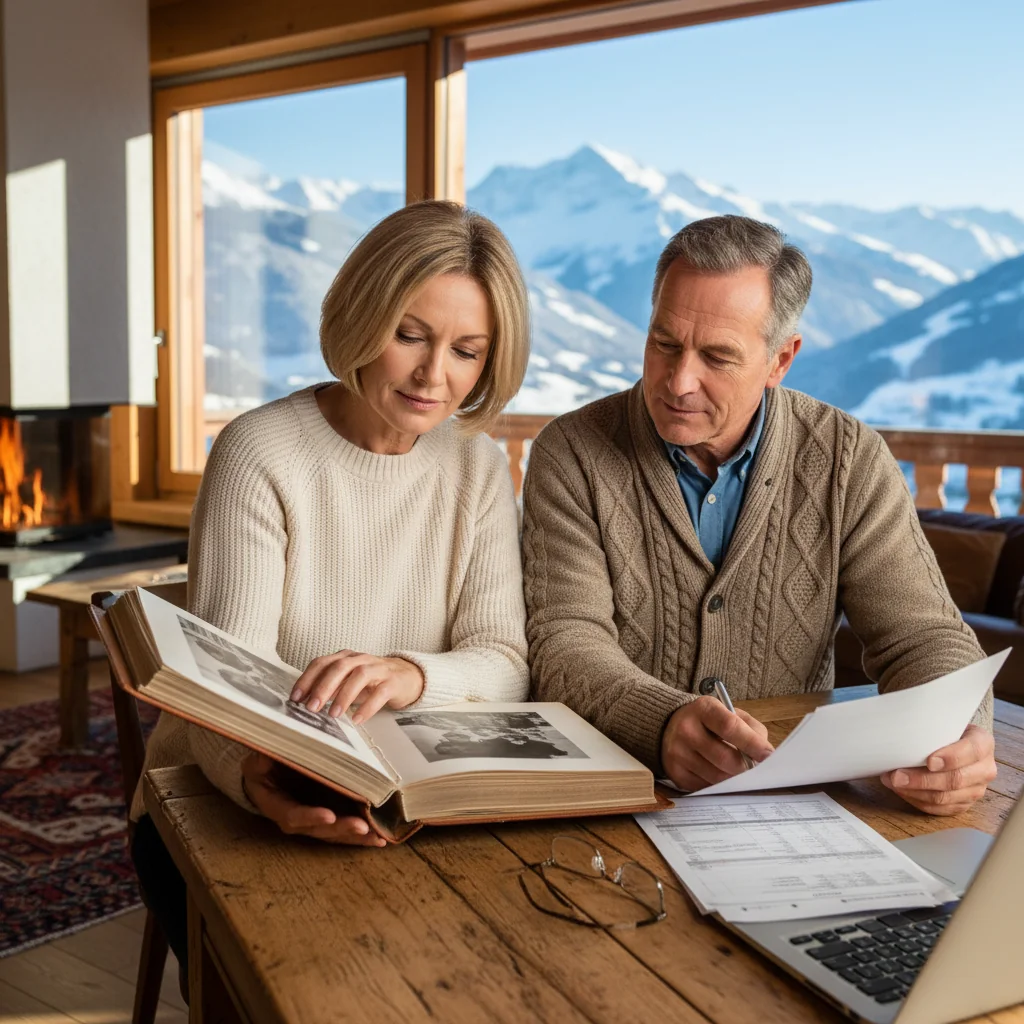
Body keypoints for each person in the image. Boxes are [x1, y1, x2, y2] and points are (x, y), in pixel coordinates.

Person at [130, 199, 532, 969]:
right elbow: (220, 685)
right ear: (358, 316)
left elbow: (506, 662)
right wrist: (257, 779)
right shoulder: (261, 452)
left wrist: (410, 675)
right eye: (409, 335)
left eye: (466, 351)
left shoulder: (478, 466)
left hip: (404, 801)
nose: (433, 376)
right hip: (219, 797)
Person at [523, 214, 996, 816]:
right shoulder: (571, 450)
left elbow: (923, 635)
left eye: (717, 357)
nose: (678, 381)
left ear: (780, 360)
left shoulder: (848, 458)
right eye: (663, 343)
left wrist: (959, 734)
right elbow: (564, 643)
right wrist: (664, 724)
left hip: (796, 805)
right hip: (616, 794)